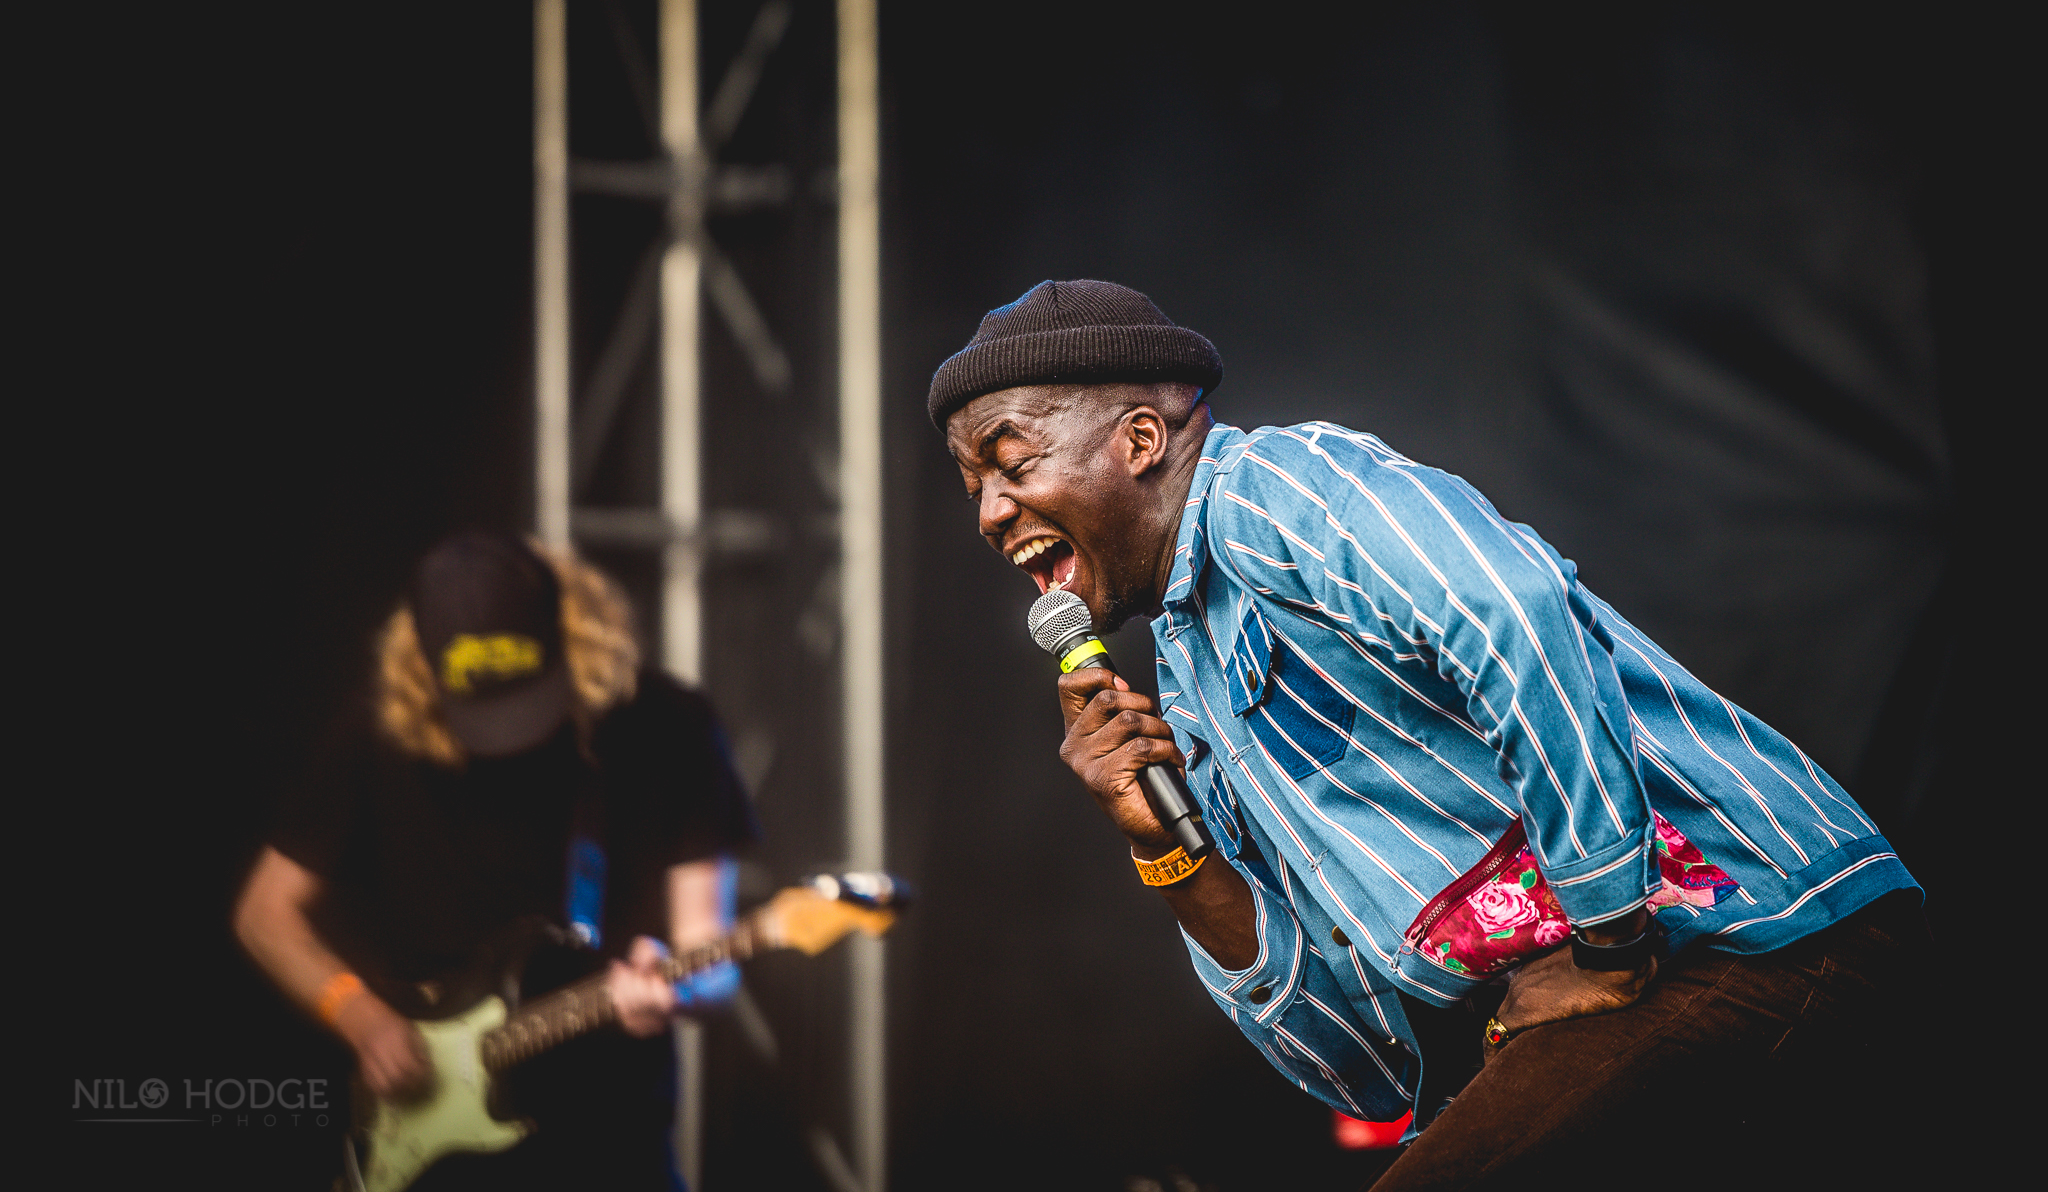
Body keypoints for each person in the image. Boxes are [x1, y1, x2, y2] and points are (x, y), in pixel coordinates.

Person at [931, 280, 1928, 1187]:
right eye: (970, 485)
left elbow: (1507, 612)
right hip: (1607, 1003)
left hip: (1743, 937)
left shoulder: (1278, 492)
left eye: (1008, 464)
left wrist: (1609, 933)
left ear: (1140, 440)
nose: (986, 512)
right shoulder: (1189, 689)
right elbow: (1362, 1072)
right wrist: (1166, 854)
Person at [235, 530, 757, 1190]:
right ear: (422, 666)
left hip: (611, 1146)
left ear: (570, 628)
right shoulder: (378, 727)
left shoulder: (668, 724)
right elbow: (264, 911)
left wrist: (677, 989)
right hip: (429, 1150)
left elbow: (712, 960)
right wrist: (358, 1013)